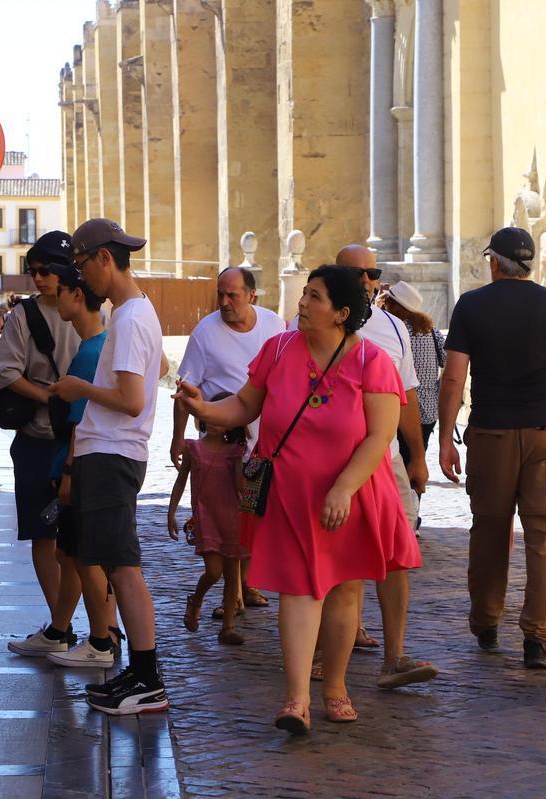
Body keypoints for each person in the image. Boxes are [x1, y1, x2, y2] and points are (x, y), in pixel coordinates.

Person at [176, 265, 420, 734]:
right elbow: (246, 406)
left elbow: (379, 437)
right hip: (290, 492)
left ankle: (335, 688)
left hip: (350, 493)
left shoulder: (373, 362)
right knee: (297, 589)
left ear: (342, 313)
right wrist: (205, 408)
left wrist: (344, 488)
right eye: (304, 293)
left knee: (345, 591)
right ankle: (297, 699)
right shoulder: (280, 348)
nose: (303, 303)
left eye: (315, 297)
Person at [438, 226, 546, 669]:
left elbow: (453, 377)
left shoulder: (472, 305)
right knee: (545, 537)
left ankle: (486, 622)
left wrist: (445, 439)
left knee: (489, 530)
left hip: (491, 432)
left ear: (494, 262)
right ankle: (538, 639)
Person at [48, 217, 168, 716]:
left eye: (81, 265)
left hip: (114, 453)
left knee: (124, 566)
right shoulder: (131, 315)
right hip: (110, 452)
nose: (81, 279)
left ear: (104, 259)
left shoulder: (132, 317)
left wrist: (80, 390)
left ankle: (147, 678)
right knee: (118, 566)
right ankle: (138, 673)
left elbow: (131, 398)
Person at [325, 247, 437, 689]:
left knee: (395, 559)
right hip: (331, 463)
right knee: (333, 559)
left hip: (385, 460)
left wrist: (418, 457)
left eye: (374, 273)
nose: (370, 280)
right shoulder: (315, 324)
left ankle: (395, 655)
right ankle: (322, 655)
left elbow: (405, 397)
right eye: (360, 273)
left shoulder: (393, 327)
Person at [171, 266, 285, 617]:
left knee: (255, 514)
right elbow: (185, 388)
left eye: (232, 294)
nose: (224, 301)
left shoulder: (274, 325)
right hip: (223, 439)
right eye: (220, 294)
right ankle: (231, 596)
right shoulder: (206, 332)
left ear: (252, 295)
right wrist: (178, 437)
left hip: (267, 439)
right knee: (232, 515)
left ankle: (246, 585)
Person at [0, 230, 81, 655]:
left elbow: (6, 371)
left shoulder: (86, 309)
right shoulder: (25, 315)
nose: (39, 278)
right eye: (34, 271)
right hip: (39, 438)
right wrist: (48, 396)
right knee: (44, 538)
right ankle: (60, 627)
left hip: (73, 441)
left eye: (46, 270)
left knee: (78, 542)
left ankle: (75, 629)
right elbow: (3, 373)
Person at [38, 268, 126, 668]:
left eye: (61, 291)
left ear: (77, 295)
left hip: (81, 465)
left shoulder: (93, 350)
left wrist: (69, 473)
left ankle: (101, 639)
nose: (54, 295)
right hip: (79, 462)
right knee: (71, 554)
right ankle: (79, 633)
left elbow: (80, 420)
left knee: (85, 556)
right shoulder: (96, 344)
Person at [167, 391, 248, 646]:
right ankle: (197, 599)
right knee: (213, 571)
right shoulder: (194, 448)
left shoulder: (235, 451)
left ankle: (228, 627)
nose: (214, 421)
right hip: (207, 517)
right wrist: (171, 511)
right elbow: (181, 481)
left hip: (232, 516)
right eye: (211, 414)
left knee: (232, 572)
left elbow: (240, 485)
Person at [381, 282, 444, 466]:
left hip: (401, 411)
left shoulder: (392, 332)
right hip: (428, 411)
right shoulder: (431, 331)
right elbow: (446, 359)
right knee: (416, 461)